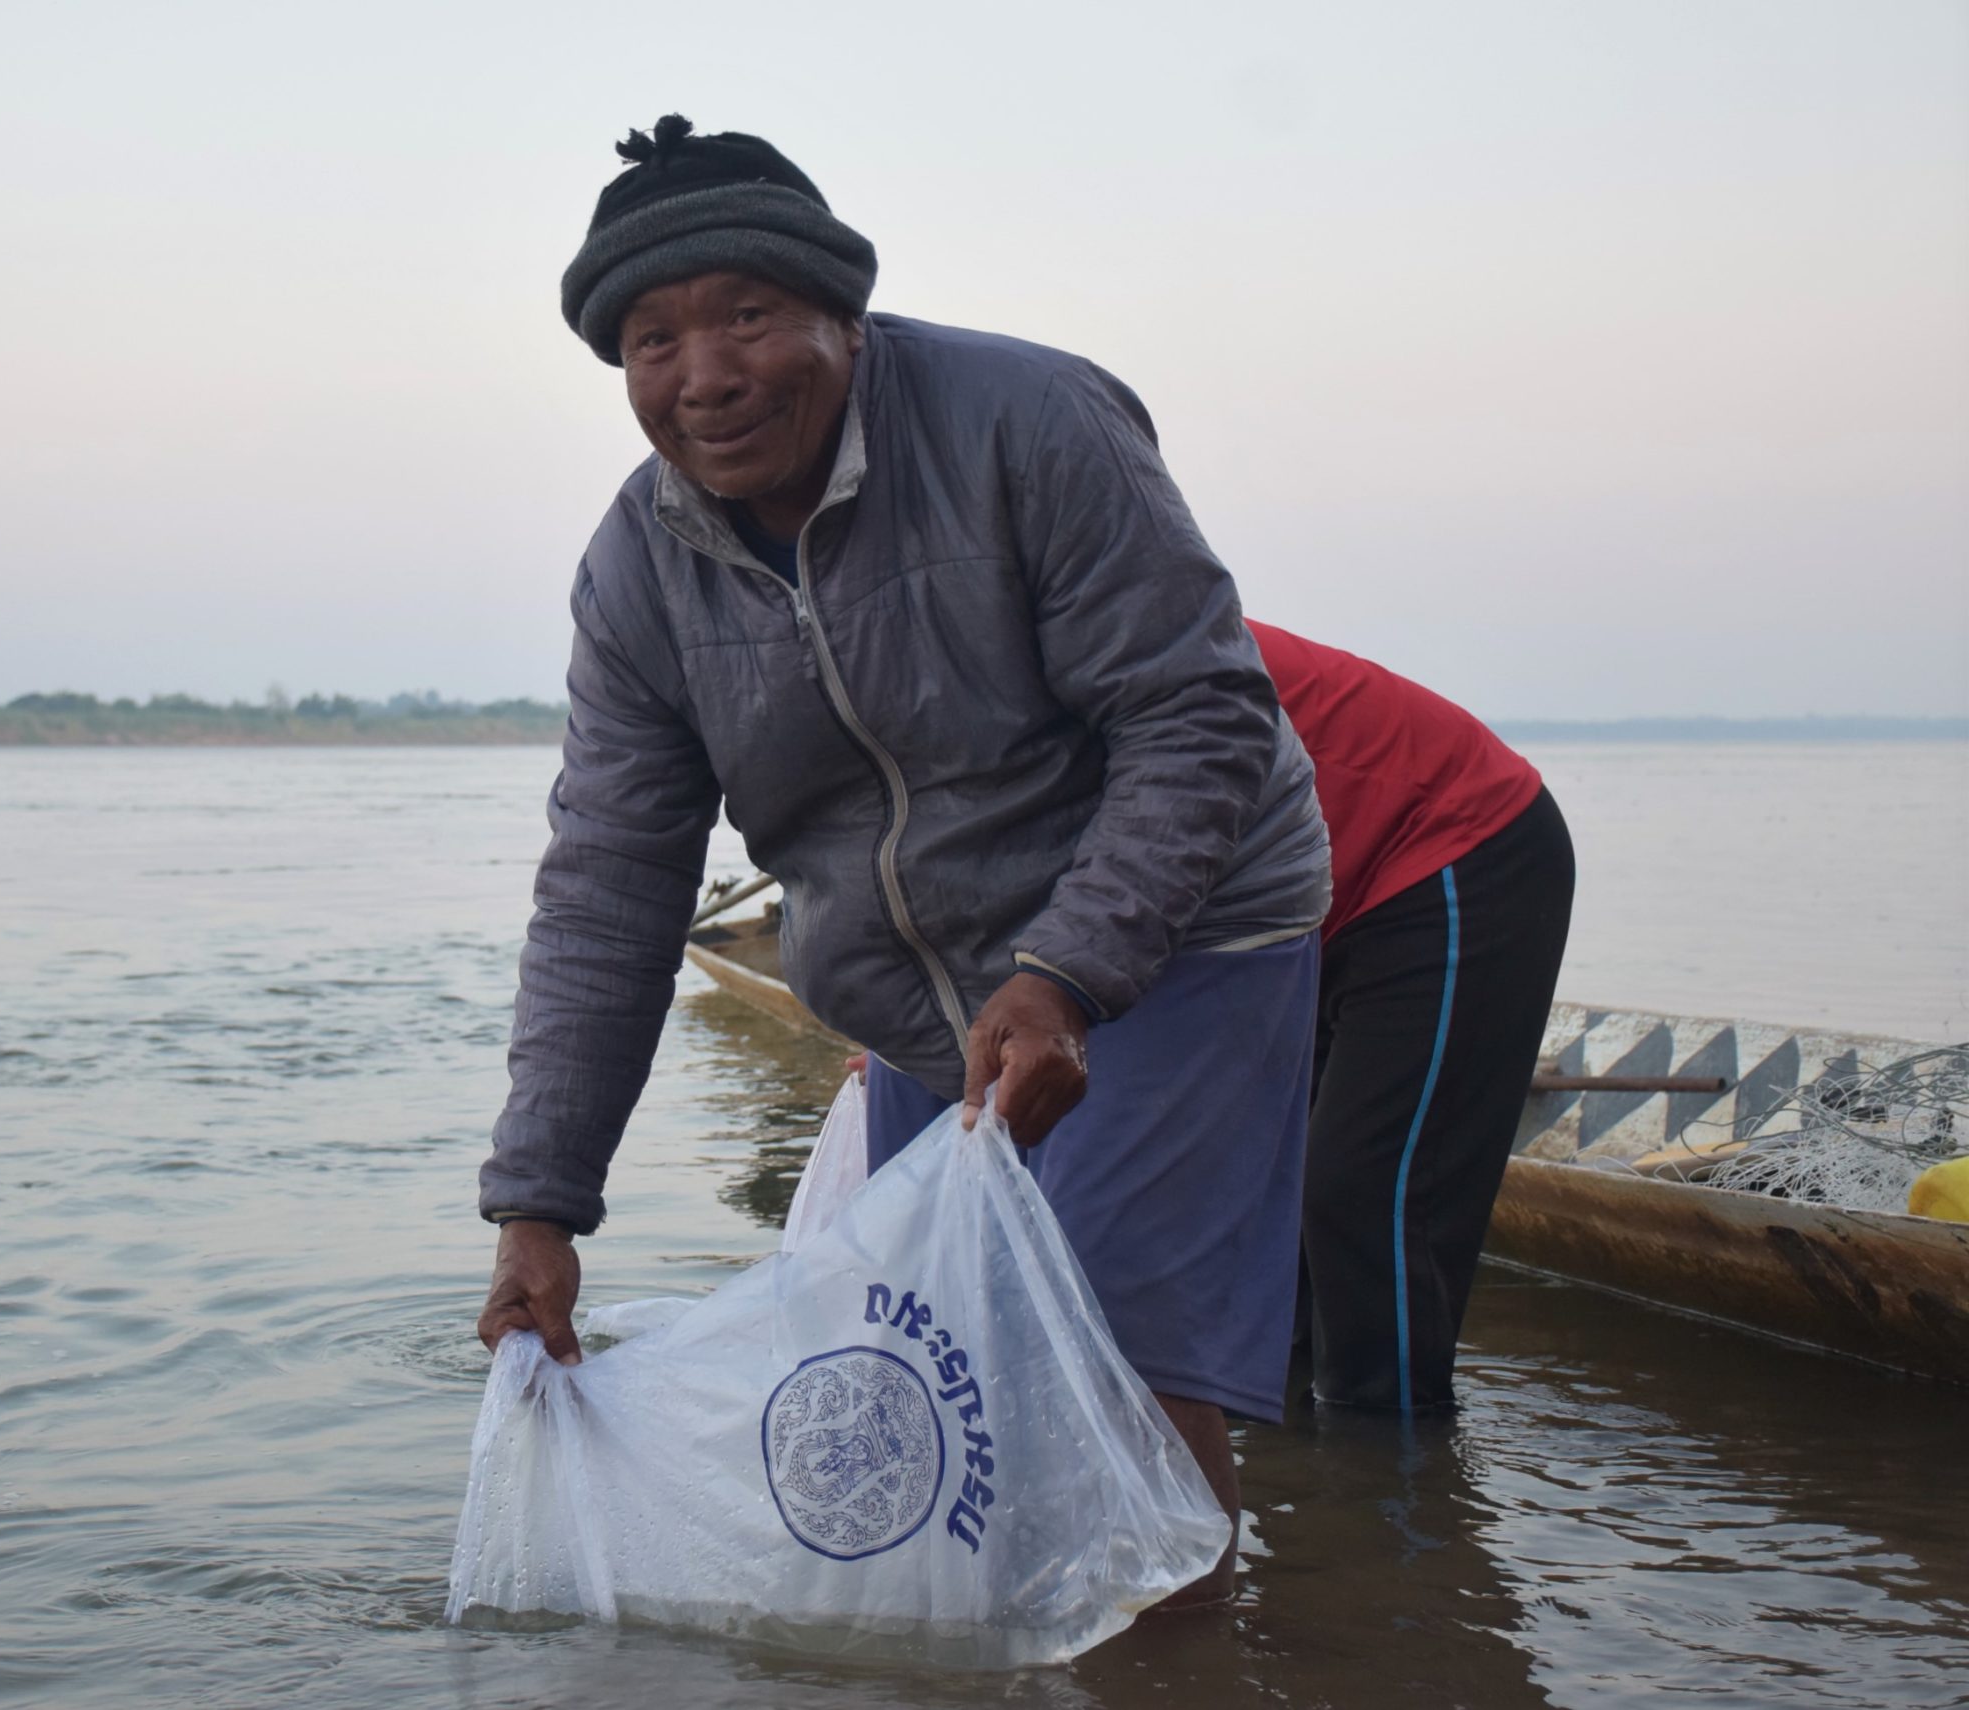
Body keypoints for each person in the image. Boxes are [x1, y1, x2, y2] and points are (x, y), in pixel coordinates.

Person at [472, 115, 1331, 1608]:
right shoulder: (636, 572)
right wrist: (539, 1206)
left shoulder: (1031, 421)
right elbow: (610, 887)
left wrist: (1069, 973)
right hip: (928, 996)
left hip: (1177, 937)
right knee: (960, 1367)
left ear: (842, 316)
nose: (707, 373)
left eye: (748, 313)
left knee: (1121, 1357)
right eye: (654, 338)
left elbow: (1198, 713)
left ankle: (1180, 1656)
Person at [1248, 621, 1575, 1415]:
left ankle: (1390, 1497)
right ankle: (1301, 1479)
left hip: (1454, 847)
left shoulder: (1120, 632)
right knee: (1279, 1196)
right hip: (1320, 898)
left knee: (1361, 1195)